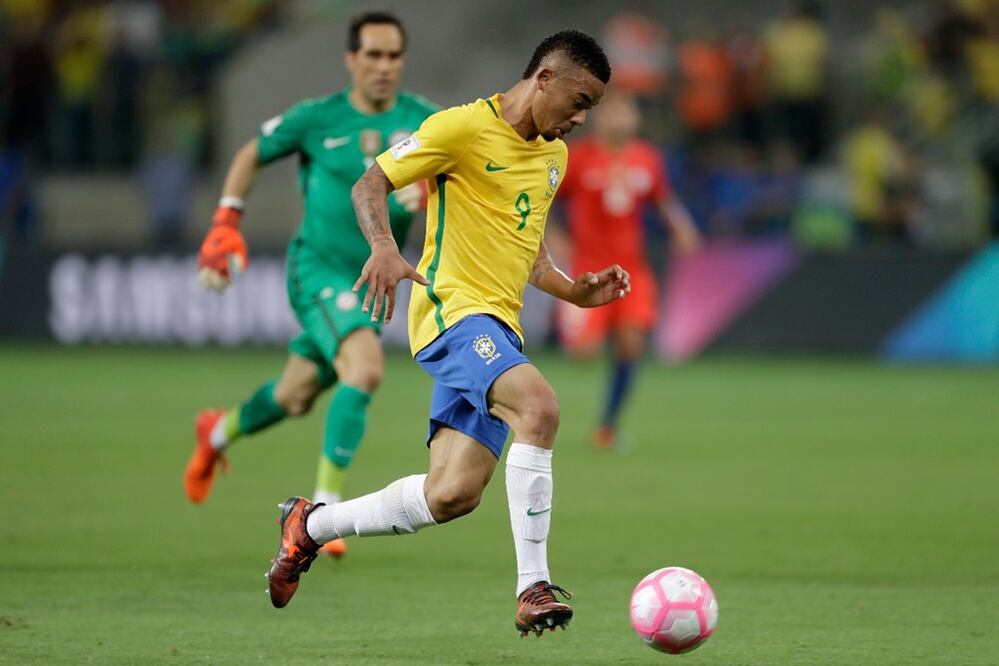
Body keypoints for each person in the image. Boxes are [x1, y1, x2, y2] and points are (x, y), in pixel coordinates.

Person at [264, 30, 627, 637]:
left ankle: (310, 525)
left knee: (452, 494)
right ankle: (533, 585)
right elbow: (370, 182)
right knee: (538, 408)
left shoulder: (554, 157)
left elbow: (528, 250)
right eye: (579, 100)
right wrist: (384, 246)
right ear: (544, 78)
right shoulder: (460, 128)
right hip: (452, 315)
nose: (581, 118)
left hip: (499, 330)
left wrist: (574, 291)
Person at [183, 11, 437, 559]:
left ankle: (217, 432)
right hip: (317, 270)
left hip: (370, 283)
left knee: (294, 396)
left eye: (393, 55)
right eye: (372, 54)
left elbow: (457, 183)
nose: (384, 66)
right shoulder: (317, 117)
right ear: (351, 59)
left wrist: (431, 195)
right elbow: (251, 153)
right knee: (365, 368)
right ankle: (323, 515)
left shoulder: (426, 121)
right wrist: (226, 220)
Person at [552, 89, 701, 449]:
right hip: (587, 270)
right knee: (582, 353)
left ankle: (607, 427)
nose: (620, 119)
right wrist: (555, 238)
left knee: (631, 345)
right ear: (600, 118)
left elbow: (662, 200)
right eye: (614, 112)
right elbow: (547, 200)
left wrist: (680, 227)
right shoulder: (578, 157)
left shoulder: (646, 159)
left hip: (631, 269)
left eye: (626, 112)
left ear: (635, 119)